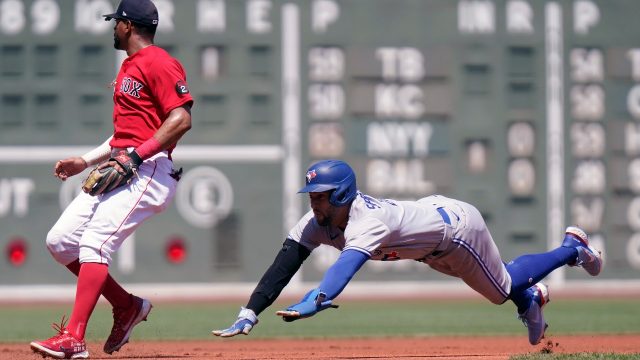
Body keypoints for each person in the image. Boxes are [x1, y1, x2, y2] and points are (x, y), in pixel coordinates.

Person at [213, 159, 603, 345]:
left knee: (500, 288)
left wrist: (318, 298)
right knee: (498, 284)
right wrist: (250, 312)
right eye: (312, 196)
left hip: (457, 230)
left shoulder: (367, 221)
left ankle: (572, 249)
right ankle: (532, 299)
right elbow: (284, 263)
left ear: (343, 194)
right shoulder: (317, 222)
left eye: (322, 197)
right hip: (430, 245)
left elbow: (344, 268)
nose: (315, 204)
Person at [30, 0, 193, 358]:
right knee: (60, 242)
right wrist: (84, 161)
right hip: (126, 164)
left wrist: (136, 155)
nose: (112, 28)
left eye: (115, 22)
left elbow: (181, 119)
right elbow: (125, 135)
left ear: (128, 26)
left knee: (94, 243)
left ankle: (74, 337)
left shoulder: (159, 62)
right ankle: (127, 306)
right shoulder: (129, 67)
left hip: (148, 171)